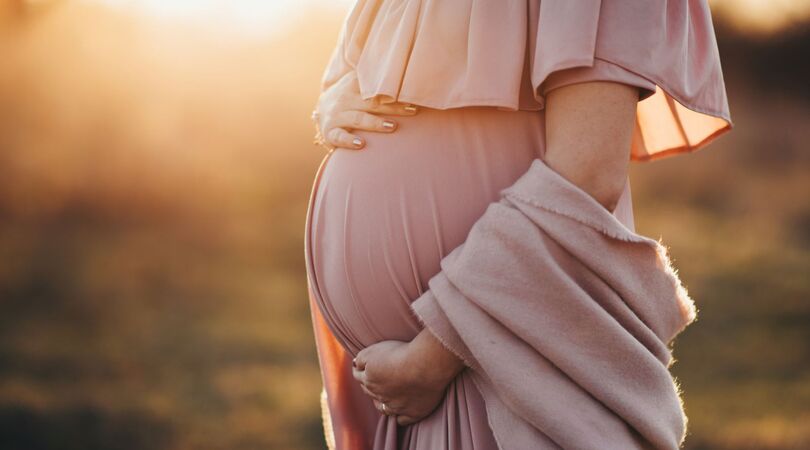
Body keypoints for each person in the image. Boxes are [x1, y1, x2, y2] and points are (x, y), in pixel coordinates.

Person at [305, 1, 732, 449]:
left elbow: (584, 177)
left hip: (496, 366)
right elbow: (356, 66)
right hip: (395, 383)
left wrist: (430, 358)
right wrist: (333, 96)